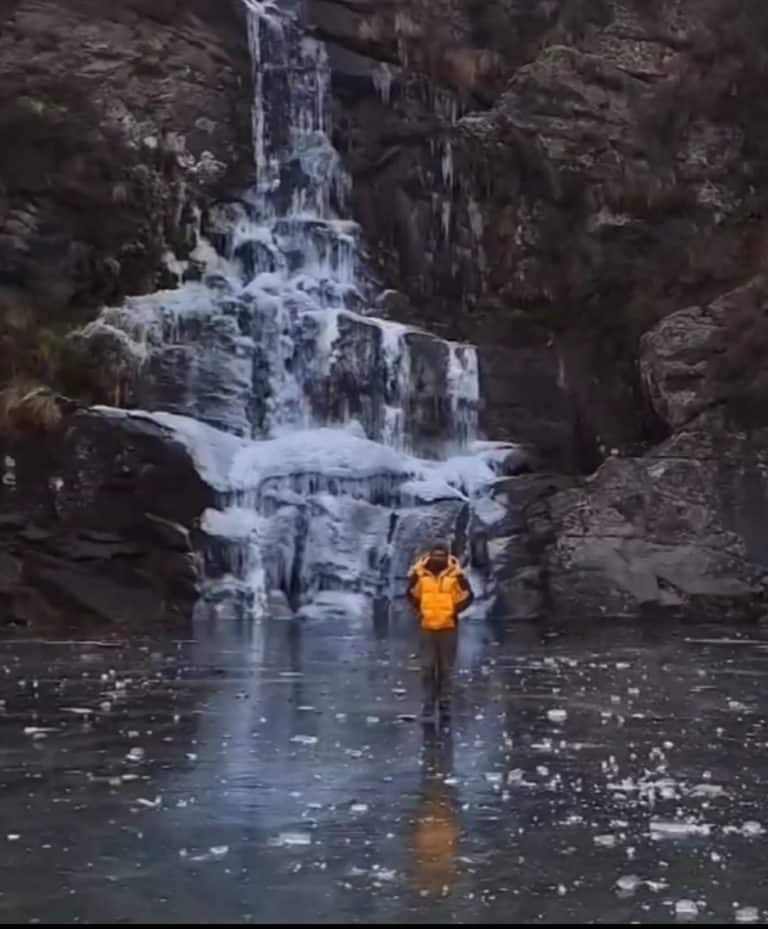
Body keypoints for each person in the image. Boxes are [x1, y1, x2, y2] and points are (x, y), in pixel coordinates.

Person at [407, 543, 474, 723]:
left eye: (442, 556)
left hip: (448, 627)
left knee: (446, 668)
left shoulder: (456, 575)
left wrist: (453, 611)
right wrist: (421, 611)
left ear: (447, 557)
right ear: (430, 556)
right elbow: (411, 593)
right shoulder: (419, 574)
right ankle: (428, 704)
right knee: (427, 667)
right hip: (427, 627)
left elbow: (469, 595)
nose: (438, 559)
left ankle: (445, 705)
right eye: (435, 555)